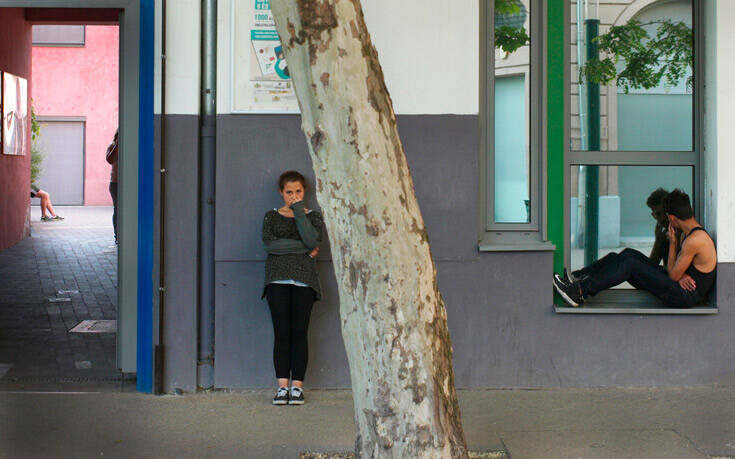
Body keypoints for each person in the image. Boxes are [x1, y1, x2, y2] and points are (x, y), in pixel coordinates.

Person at [554, 189, 716, 308]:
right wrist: (681, 273)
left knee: (630, 263)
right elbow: (674, 271)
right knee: (626, 254)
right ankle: (576, 279)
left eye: (665, 216)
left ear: (672, 218)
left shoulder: (695, 240)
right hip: (679, 286)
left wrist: (673, 245)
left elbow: (673, 275)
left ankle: (580, 292)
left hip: (686, 296)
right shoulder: (687, 235)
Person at [261, 170, 323, 405]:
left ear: (304, 191)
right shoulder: (271, 217)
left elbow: (313, 240)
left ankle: (297, 387)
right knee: (282, 333)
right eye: (289, 192)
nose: (294, 196)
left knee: (300, 332)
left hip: (304, 281)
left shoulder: (312, 217)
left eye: (298, 192)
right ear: (281, 193)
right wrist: (303, 248)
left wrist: (299, 213)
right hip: (277, 279)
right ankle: (282, 388)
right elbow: (270, 245)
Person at [646, 188, 681, 266]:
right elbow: (652, 265)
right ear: (653, 215)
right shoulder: (663, 234)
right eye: (658, 214)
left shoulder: (682, 231)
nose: (662, 217)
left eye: (665, 213)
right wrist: (658, 240)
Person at [106, 129, 119, 243]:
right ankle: (117, 236)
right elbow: (109, 160)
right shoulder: (112, 147)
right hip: (115, 183)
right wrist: (116, 146)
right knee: (117, 208)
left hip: (127, 184)